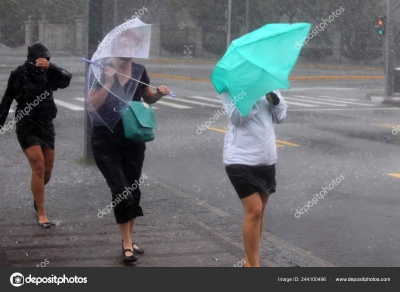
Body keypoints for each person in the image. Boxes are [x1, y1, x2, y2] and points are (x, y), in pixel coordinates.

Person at [88, 32, 170, 263]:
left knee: (133, 191)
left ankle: (130, 240)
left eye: (132, 47)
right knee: (121, 192)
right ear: (115, 47)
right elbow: (92, 106)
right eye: (123, 46)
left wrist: (159, 94)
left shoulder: (139, 71)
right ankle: (126, 244)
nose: (128, 51)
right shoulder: (100, 68)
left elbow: (147, 99)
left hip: (133, 139)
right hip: (105, 140)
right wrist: (108, 81)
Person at [0, 42, 72, 229]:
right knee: (38, 167)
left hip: (46, 126)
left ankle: (36, 197)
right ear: (30, 59)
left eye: (46, 59)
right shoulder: (19, 74)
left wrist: (51, 67)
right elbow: (7, 99)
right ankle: (42, 213)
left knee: (47, 172)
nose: (43, 62)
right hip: (26, 125)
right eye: (40, 59)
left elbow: (66, 80)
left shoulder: (49, 73)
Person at [220, 90, 287, 267]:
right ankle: (254, 266)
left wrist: (276, 101)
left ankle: (249, 262)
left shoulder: (268, 83)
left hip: (266, 158)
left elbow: (280, 117)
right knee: (254, 211)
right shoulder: (230, 86)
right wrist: (252, 94)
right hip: (239, 158)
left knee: (259, 214)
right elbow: (236, 118)